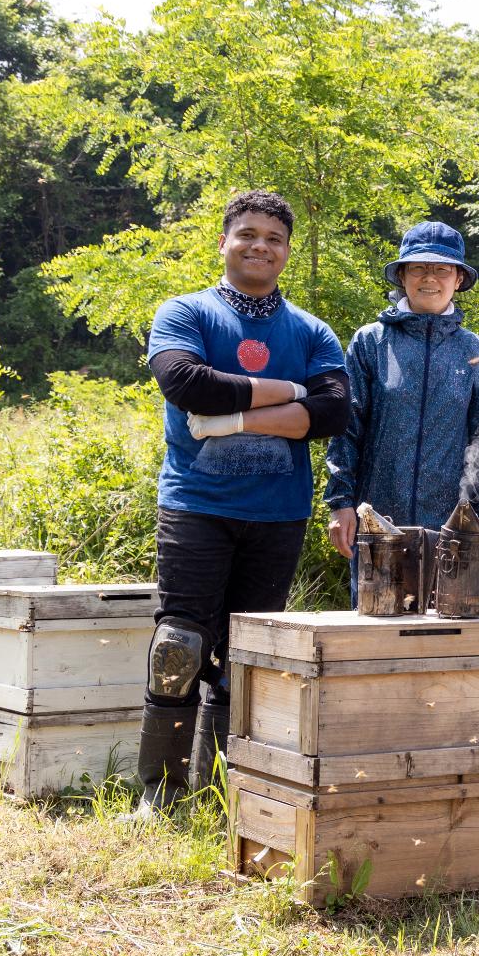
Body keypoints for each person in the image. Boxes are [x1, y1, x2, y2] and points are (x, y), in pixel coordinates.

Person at [136, 190, 352, 812]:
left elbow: (333, 410)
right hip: (196, 505)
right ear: (225, 241)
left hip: (278, 514)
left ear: (287, 251)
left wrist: (230, 420)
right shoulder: (185, 312)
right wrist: (289, 393)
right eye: (248, 234)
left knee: (250, 657)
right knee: (178, 645)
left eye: (274, 239)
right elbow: (187, 384)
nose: (260, 245)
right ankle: (164, 791)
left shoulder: (311, 330)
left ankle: (233, 786)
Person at [324, 221, 479, 555]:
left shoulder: (477, 351)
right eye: (418, 267)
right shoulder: (370, 341)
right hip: (376, 519)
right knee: (377, 607)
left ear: (458, 279)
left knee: (448, 607)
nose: (429, 277)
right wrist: (340, 501)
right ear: (402, 276)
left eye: (442, 269)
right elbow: (347, 426)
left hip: (453, 524)